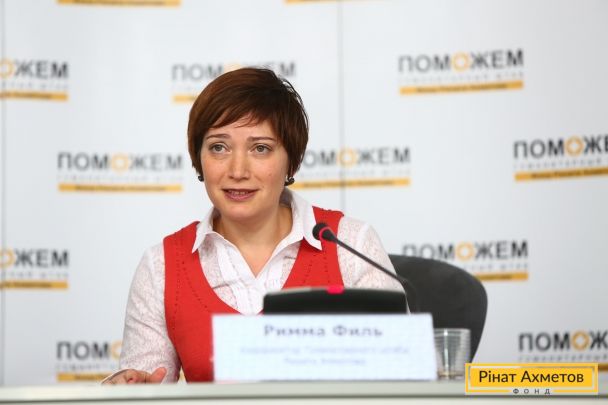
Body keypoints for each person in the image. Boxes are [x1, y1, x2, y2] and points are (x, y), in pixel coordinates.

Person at [103, 67, 401, 384]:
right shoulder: (162, 265)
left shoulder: (351, 244)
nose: (238, 170)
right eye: (219, 147)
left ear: (292, 160)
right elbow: (146, 385)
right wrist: (132, 389)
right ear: (198, 157)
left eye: (260, 148)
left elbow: (399, 374)